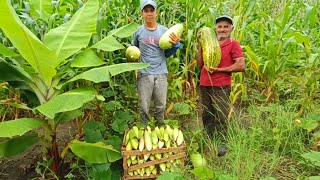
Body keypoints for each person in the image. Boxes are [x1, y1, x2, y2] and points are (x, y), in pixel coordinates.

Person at [197, 15, 245, 156]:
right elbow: (200, 64)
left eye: (226, 26)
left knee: (221, 114)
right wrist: (200, 45)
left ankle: (222, 141)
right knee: (206, 114)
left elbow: (241, 65)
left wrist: (220, 70)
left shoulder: (233, 44)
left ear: (231, 28)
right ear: (215, 28)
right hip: (205, 84)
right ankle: (209, 138)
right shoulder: (208, 43)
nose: (222, 29)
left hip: (221, 86)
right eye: (219, 26)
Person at [132, 0, 181, 126]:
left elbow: (167, 53)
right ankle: (144, 129)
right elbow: (134, 49)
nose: (149, 14)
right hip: (144, 73)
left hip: (161, 73)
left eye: (152, 10)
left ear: (156, 12)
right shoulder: (138, 32)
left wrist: (176, 45)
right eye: (146, 11)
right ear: (141, 14)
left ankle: (159, 128)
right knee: (143, 106)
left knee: (161, 105)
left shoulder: (165, 32)